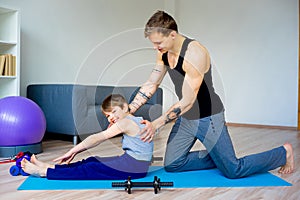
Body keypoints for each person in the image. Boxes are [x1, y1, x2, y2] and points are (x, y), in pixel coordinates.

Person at [128, 10, 294, 179]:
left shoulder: (194, 54)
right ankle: (219, 156)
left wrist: (156, 124)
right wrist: (129, 109)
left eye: (158, 42)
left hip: (208, 117)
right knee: (172, 164)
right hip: (186, 118)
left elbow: (187, 100)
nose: (155, 47)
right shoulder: (163, 52)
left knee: (233, 170)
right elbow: (152, 83)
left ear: (172, 34)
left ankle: (282, 153)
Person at [21, 94, 153, 180]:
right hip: (133, 164)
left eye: (113, 112)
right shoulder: (137, 120)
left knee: (91, 168)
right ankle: (51, 167)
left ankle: (45, 172)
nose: (111, 117)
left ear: (125, 107)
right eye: (108, 116)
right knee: (92, 160)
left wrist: (73, 150)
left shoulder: (125, 123)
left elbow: (96, 138)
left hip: (134, 167)